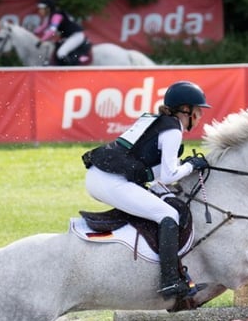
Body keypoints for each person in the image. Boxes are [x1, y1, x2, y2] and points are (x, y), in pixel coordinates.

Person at [82, 81, 211, 299]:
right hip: (110, 181)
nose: (200, 116)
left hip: (102, 175)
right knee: (169, 215)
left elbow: (152, 169)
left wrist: (182, 166)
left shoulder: (157, 121)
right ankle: (170, 282)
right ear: (185, 110)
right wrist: (191, 165)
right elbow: (169, 175)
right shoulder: (173, 129)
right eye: (198, 111)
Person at [34, 0, 88, 66]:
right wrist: (32, 33)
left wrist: (41, 40)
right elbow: (43, 27)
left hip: (76, 36)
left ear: (48, 8)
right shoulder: (51, 16)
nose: (39, 10)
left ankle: (70, 69)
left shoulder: (56, 16)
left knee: (61, 53)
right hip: (69, 36)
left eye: (41, 9)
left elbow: (52, 31)